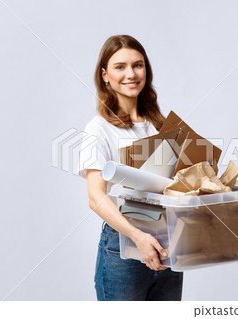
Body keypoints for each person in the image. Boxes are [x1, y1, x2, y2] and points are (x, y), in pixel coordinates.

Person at [77, 35, 183, 301]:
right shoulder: (98, 129)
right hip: (124, 245)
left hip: (168, 243)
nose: (131, 73)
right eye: (120, 66)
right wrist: (138, 237)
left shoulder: (159, 125)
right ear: (105, 75)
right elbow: (95, 197)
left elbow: (177, 186)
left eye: (138, 65)